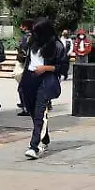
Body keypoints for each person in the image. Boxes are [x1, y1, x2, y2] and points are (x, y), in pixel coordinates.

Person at [19, 18, 69, 160]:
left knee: (40, 113)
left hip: (45, 80)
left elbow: (63, 67)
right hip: (29, 79)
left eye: (37, 32)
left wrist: (45, 68)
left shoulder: (57, 46)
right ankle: (44, 136)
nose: (34, 34)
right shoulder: (32, 42)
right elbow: (26, 59)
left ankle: (34, 146)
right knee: (32, 111)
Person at [15, 20, 34, 117]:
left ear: (26, 27)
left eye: (22, 26)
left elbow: (24, 50)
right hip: (33, 64)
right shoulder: (35, 36)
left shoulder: (26, 37)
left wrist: (19, 49)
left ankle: (26, 108)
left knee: (22, 88)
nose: (21, 28)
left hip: (27, 64)